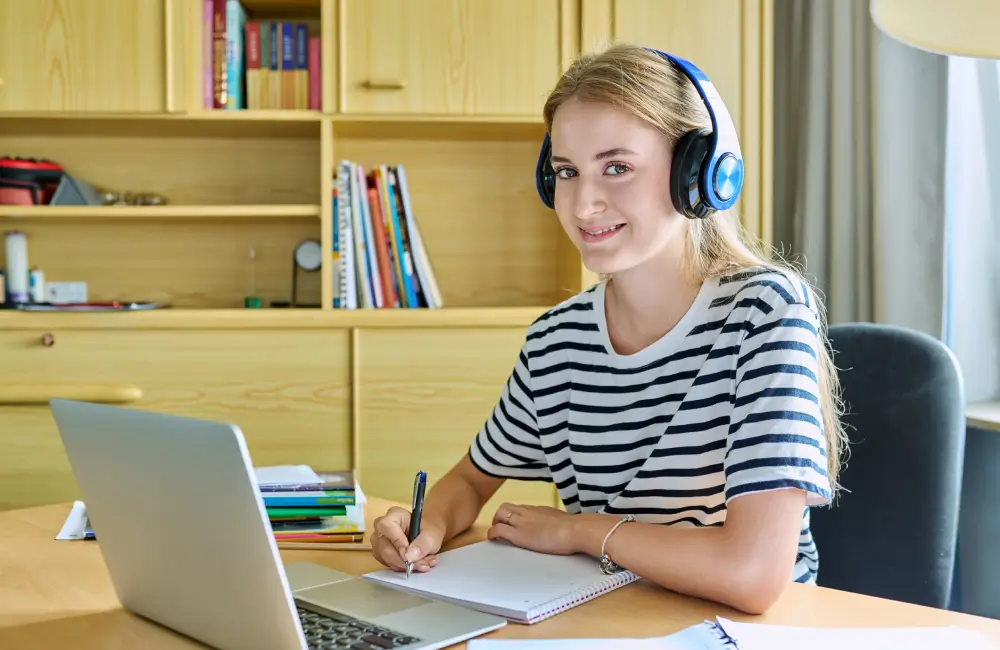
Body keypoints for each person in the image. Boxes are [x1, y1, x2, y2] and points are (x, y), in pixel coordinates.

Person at [370, 42, 847, 616]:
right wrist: (421, 525)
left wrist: (583, 531)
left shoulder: (764, 314)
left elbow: (752, 574)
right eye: (567, 172)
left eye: (617, 167)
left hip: (740, 631)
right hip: (611, 617)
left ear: (698, 174)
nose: (584, 202)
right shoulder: (558, 339)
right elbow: (471, 480)